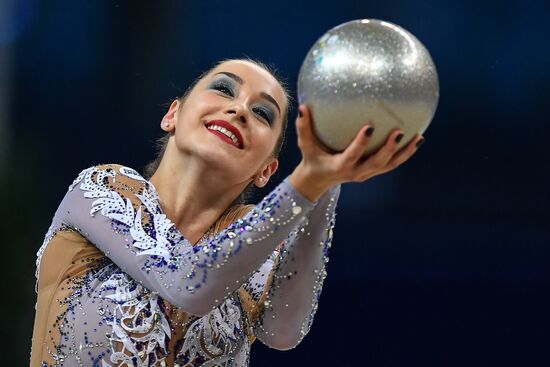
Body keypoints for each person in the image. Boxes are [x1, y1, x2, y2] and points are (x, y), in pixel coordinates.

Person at [30, 58, 423, 367]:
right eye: (224, 89)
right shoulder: (101, 188)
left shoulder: (258, 242)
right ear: (173, 115)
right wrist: (307, 181)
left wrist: (327, 176)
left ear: (267, 170)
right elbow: (187, 283)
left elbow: (284, 331)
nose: (239, 110)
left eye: (263, 114)